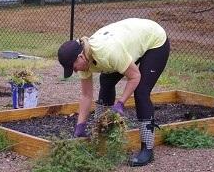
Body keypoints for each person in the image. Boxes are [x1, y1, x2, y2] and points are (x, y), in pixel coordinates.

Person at [57, 18, 170, 167]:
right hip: (128, 41)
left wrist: (121, 103)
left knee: (141, 92)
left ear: (80, 57)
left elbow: (135, 76)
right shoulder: (84, 60)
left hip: (153, 40)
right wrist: (80, 125)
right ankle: (101, 135)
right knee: (106, 82)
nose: (75, 71)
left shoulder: (107, 53)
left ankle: (147, 150)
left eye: (74, 67)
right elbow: (86, 95)